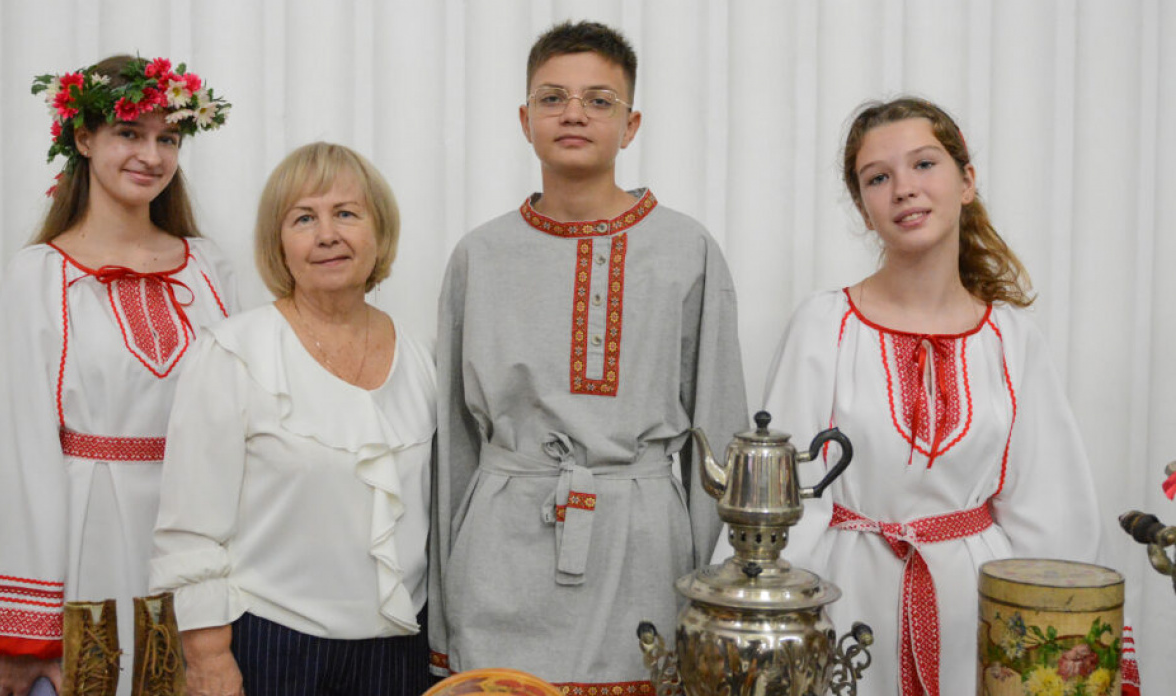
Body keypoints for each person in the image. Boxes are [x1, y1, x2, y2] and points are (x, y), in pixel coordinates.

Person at [712, 97, 1137, 695]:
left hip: (979, 615)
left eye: (924, 164)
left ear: (966, 182)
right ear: (863, 209)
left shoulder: (1011, 339)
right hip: (845, 606)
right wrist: (753, 640)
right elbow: (783, 503)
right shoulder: (825, 325)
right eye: (878, 178)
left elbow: (1052, 514)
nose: (904, 188)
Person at [430, 21, 747, 691]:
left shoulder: (687, 249)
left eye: (599, 100)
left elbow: (718, 433)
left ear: (630, 126)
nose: (573, 113)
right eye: (552, 98)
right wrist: (442, 609)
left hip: (642, 552)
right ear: (525, 120)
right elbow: (452, 447)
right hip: (503, 549)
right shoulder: (479, 255)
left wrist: (711, 597)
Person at [0, 55, 236, 696]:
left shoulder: (208, 266)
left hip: (202, 537)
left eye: (168, 138)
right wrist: (29, 635)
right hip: (90, 540)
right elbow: (12, 450)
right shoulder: (42, 274)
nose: (151, 156)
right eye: (129, 133)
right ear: (83, 139)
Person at [149, 142, 437, 696]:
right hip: (270, 649)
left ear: (380, 233)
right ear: (278, 244)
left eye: (346, 214)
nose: (327, 235)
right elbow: (190, 530)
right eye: (303, 218)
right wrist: (207, 658)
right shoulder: (232, 354)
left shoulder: (422, 357)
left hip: (400, 654)